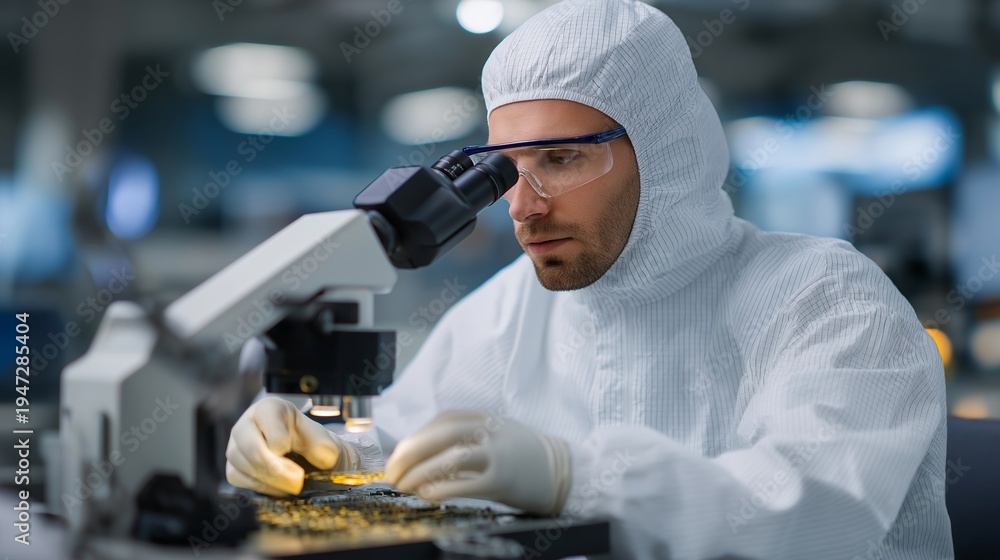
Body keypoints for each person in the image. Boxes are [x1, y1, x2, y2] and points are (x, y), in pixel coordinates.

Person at [224, 0, 953, 557]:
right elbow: (409, 448)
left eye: (562, 160)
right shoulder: (507, 311)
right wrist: (319, 451)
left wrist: (578, 477)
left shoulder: (822, 299)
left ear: (663, 155)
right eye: (506, 169)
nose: (521, 204)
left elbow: (813, 515)